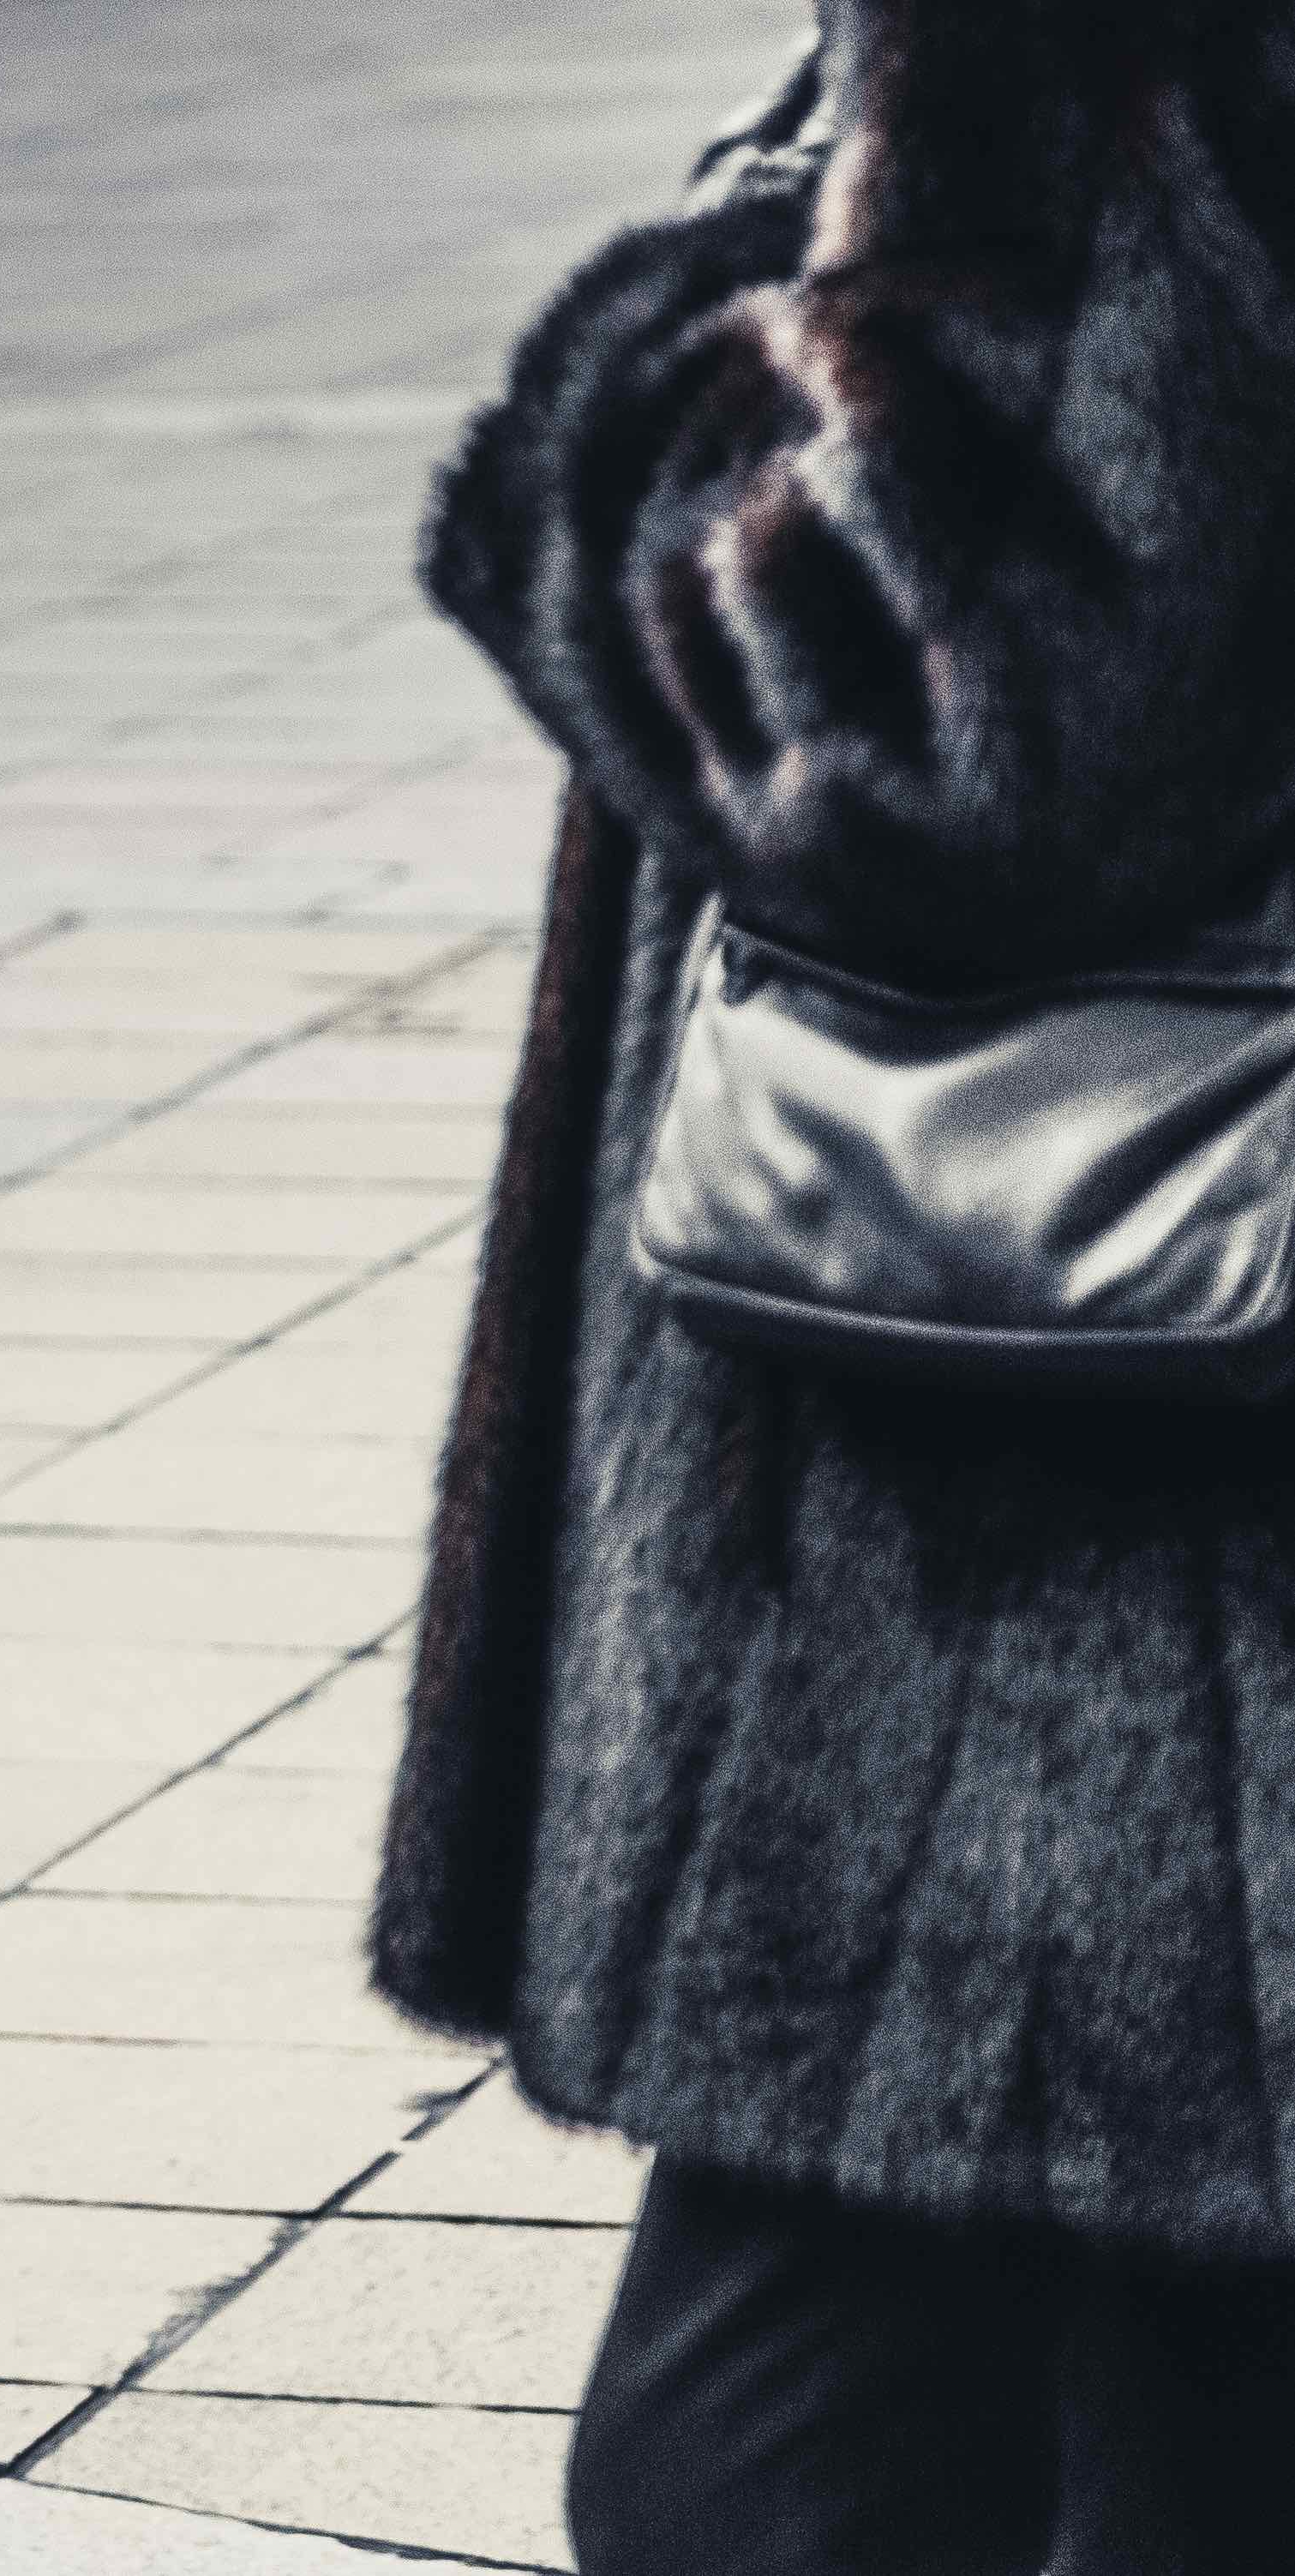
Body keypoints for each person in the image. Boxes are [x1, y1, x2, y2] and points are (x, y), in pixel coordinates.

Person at [387, 12, 1295, 2569]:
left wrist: (620, 389)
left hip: (1043, 1575)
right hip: (1128, 1556)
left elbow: (946, 721)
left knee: (786, 2432)